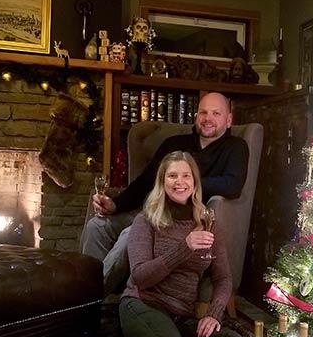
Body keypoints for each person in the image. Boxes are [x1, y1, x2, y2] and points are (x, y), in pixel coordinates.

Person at [43, 151, 245, 337]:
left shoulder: (207, 223)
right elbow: (140, 276)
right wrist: (184, 247)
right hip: (143, 304)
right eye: (172, 176)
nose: (180, 182)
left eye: (186, 176)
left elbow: (223, 277)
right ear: (162, 182)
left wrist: (214, 314)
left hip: (180, 314)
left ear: (195, 182)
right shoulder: (146, 220)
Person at [81, 92, 249, 294]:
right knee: (97, 226)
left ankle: (87, 298)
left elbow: (232, 185)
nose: (208, 118)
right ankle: (95, 293)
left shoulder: (236, 147)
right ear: (196, 116)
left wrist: (185, 184)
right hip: (149, 211)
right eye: (203, 112)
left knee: (130, 234)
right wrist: (116, 204)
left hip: (182, 222)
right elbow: (146, 181)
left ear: (229, 120)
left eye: (216, 113)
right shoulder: (173, 144)